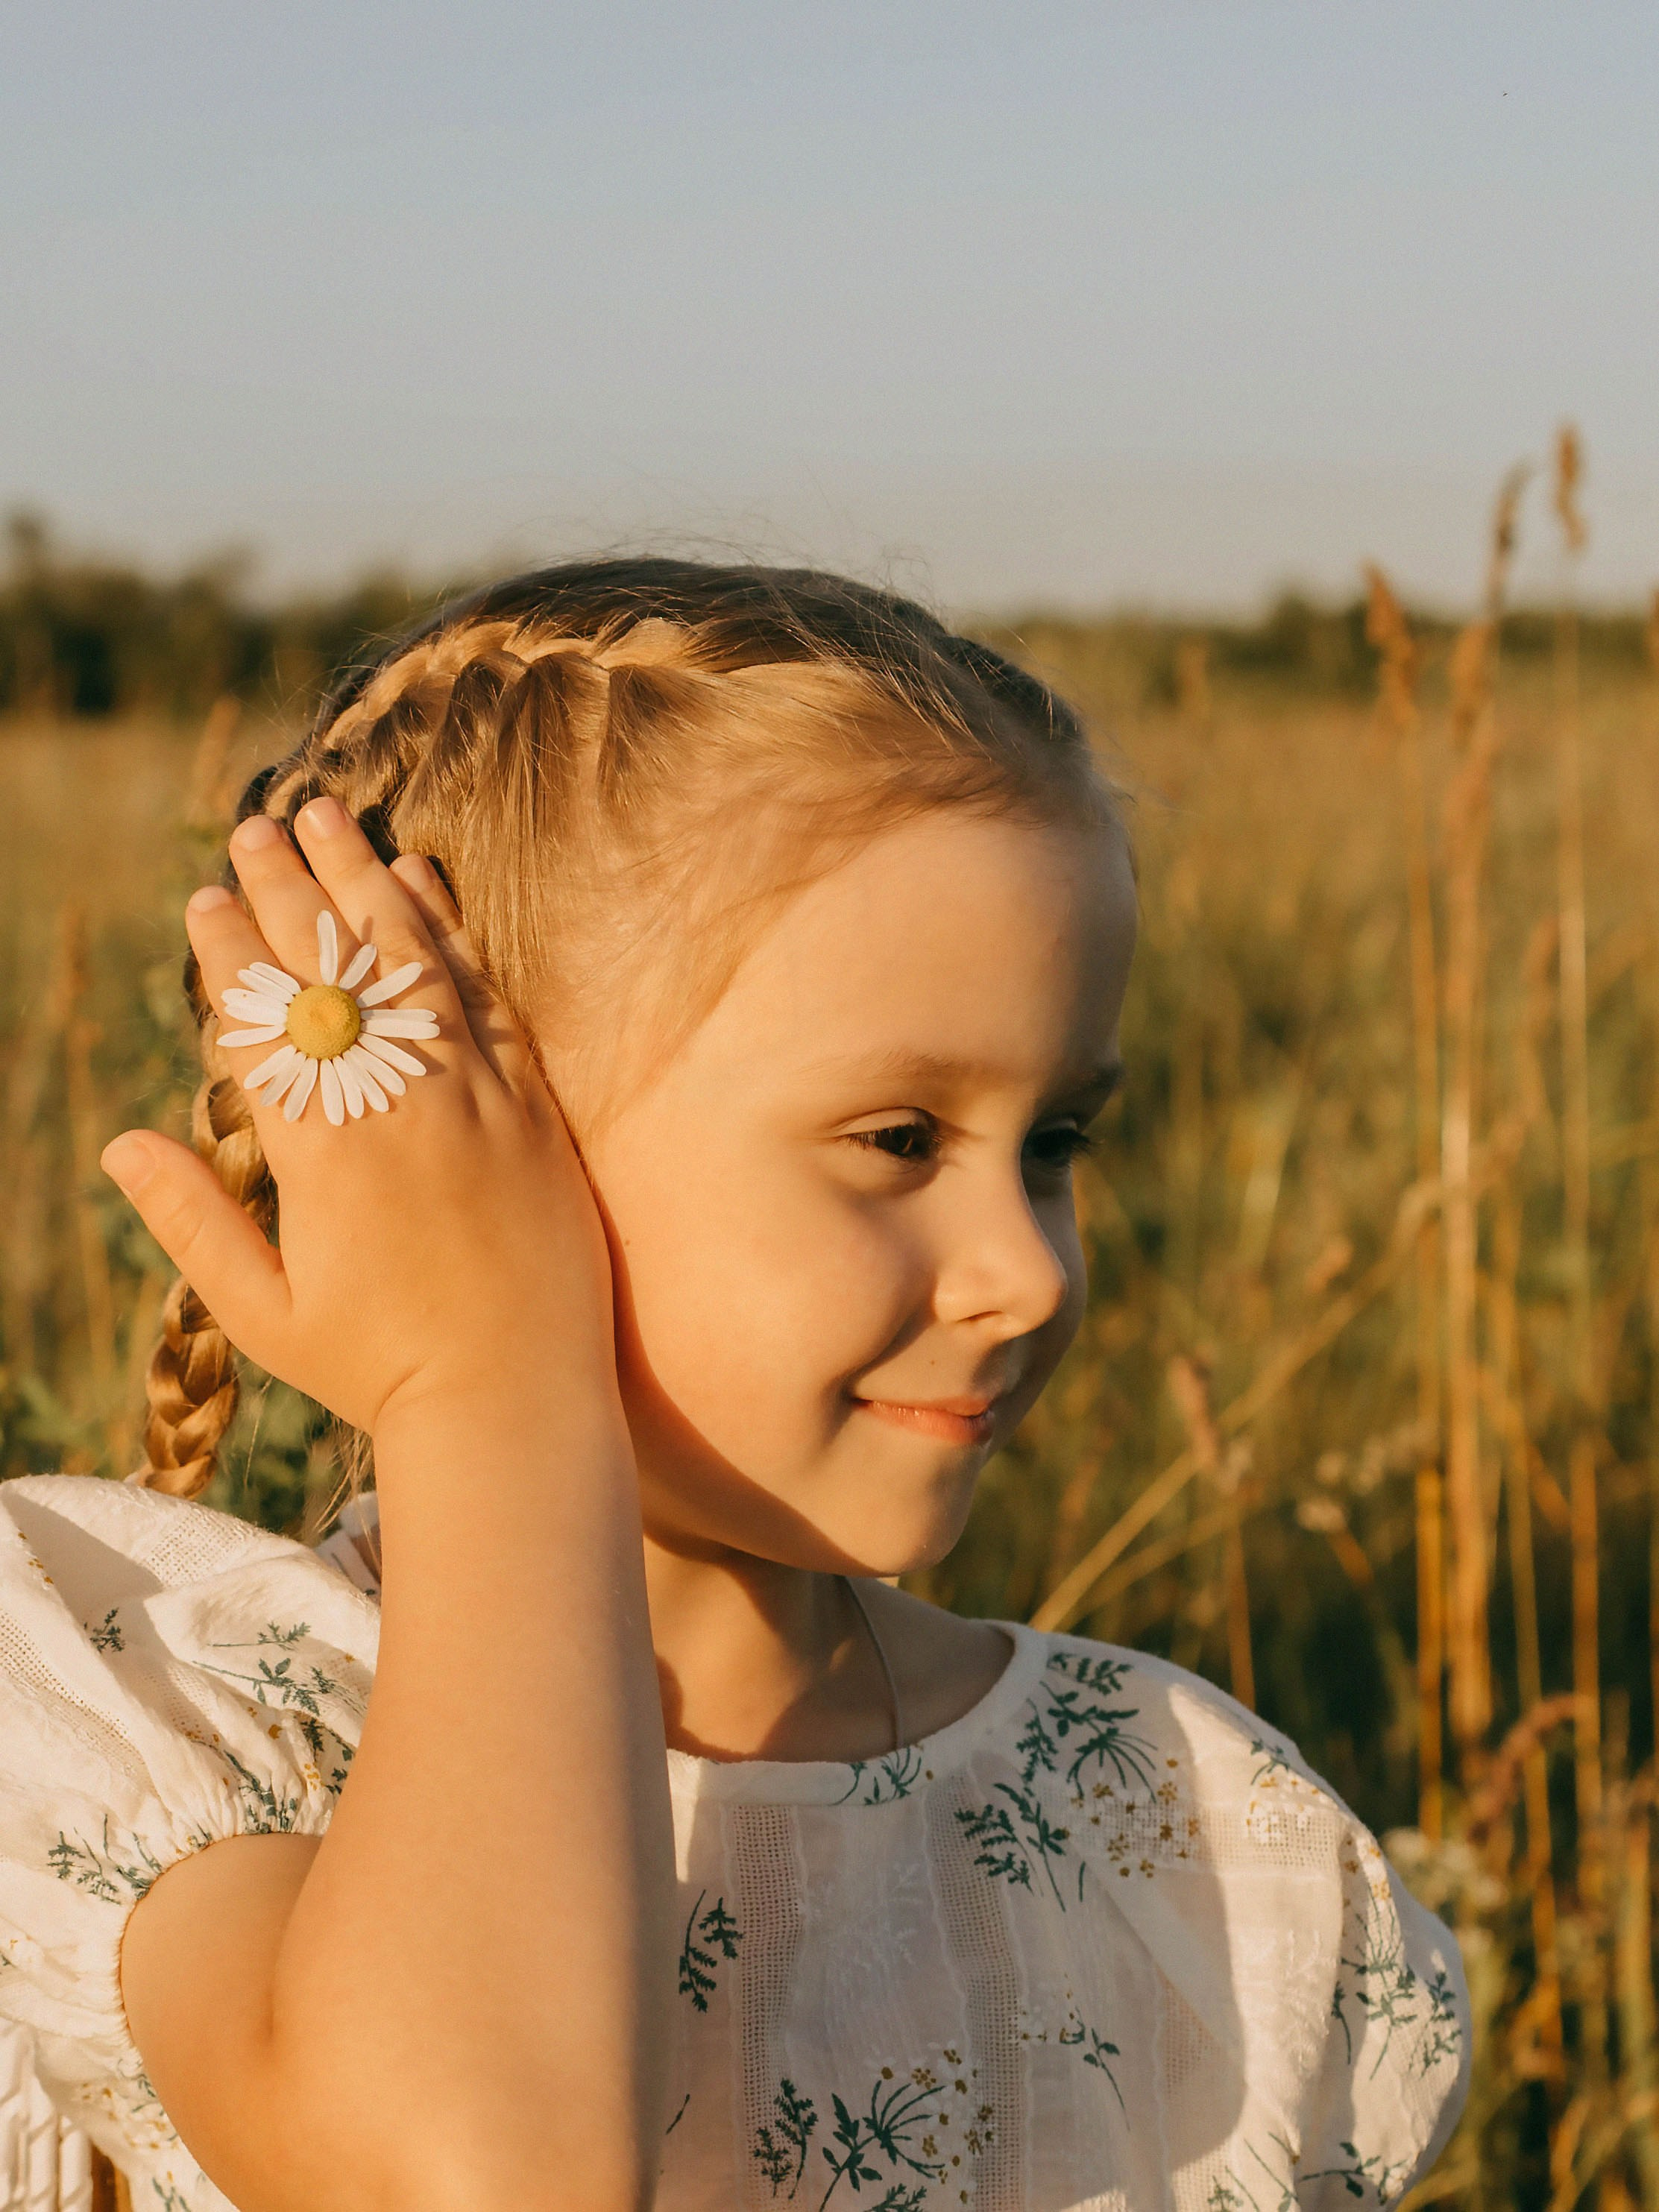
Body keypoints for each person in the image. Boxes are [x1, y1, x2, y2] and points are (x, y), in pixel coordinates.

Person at [0, 561, 1468, 2212]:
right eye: (898, 1139)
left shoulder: (1167, 1814)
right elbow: (482, 2177)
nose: (1034, 1267)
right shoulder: (175, 1734)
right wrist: (488, 1381)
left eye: (1055, 1141)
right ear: (461, 1138)